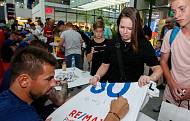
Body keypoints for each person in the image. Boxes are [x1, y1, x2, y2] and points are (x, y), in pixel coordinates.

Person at [0, 47, 129, 121]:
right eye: (48, 79)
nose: (53, 83)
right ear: (24, 81)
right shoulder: (21, 116)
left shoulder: (8, 98)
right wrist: (114, 114)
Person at [89, 7, 162, 86]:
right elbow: (105, 65)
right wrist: (97, 76)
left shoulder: (143, 44)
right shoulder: (112, 41)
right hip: (112, 88)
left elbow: (158, 69)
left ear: (136, 27)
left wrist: (149, 78)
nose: (125, 32)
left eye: (130, 28)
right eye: (122, 27)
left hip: (133, 90)